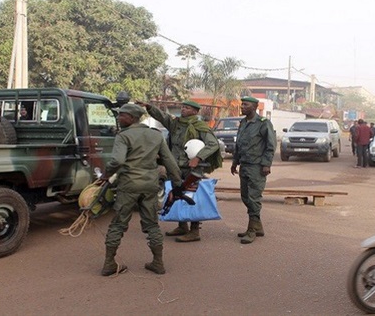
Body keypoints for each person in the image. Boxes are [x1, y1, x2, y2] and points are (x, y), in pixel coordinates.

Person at [101, 104, 182, 276]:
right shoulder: (155, 135)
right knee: (152, 224)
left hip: (128, 185)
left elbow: (117, 161)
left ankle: (109, 263)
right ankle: (158, 263)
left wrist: (105, 175)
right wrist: (178, 182)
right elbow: (169, 162)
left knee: (118, 224)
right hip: (150, 185)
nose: (118, 118)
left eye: (122, 115)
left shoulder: (123, 136)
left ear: (132, 118)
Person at [136, 99, 221, 242]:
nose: (183, 109)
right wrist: (149, 107)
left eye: (187, 108)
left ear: (195, 111)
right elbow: (163, 117)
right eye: (182, 107)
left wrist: (198, 158)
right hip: (175, 167)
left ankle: (194, 231)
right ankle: (182, 226)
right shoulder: (175, 124)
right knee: (176, 195)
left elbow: (213, 144)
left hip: (192, 168)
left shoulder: (200, 126)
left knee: (192, 197)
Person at [231, 96, 276, 244]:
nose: (242, 106)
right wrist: (235, 162)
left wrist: (266, 164)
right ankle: (258, 227)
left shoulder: (263, 123)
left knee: (253, 198)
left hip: (257, 167)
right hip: (244, 165)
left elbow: (271, 145)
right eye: (242, 104)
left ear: (255, 107)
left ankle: (251, 230)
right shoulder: (243, 123)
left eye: (246, 104)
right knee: (245, 197)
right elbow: (239, 144)